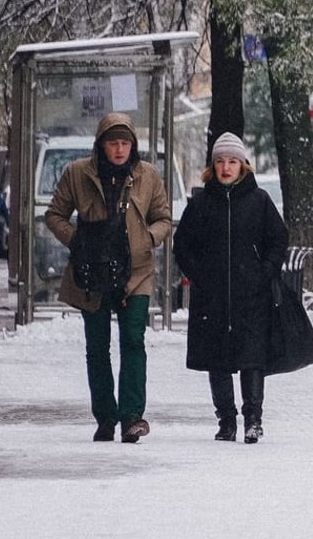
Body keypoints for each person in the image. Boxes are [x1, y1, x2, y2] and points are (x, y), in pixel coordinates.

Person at [45, 112, 172, 443]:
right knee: (97, 346)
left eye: (125, 143)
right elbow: (55, 214)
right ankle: (105, 416)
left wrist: (147, 239)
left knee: (133, 340)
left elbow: (164, 219)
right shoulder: (78, 174)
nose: (119, 149)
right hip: (92, 272)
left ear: (133, 146)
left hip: (136, 272)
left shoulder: (148, 176)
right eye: (113, 143)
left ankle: (132, 417)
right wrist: (76, 240)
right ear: (100, 145)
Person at [173, 132, 288, 444]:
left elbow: (278, 239)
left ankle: (253, 418)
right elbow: (182, 244)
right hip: (212, 296)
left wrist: (264, 272)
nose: (226, 167)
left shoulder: (259, 201)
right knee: (217, 358)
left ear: (243, 165)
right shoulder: (200, 203)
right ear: (213, 166)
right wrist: (199, 274)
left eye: (233, 161)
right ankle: (226, 419)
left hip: (251, 294)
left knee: (252, 356)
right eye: (221, 161)